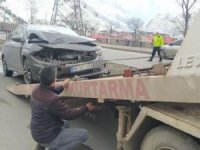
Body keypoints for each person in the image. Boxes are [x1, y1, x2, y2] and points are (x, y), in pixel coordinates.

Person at [30, 65, 96, 150]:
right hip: (47, 137)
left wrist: (62, 86)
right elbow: (69, 114)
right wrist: (86, 107)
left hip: (37, 132)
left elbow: (50, 91)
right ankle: (53, 147)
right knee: (84, 134)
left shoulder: (36, 90)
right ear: (53, 80)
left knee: (65, 123)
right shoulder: (52, 100)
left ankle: (41, 146)